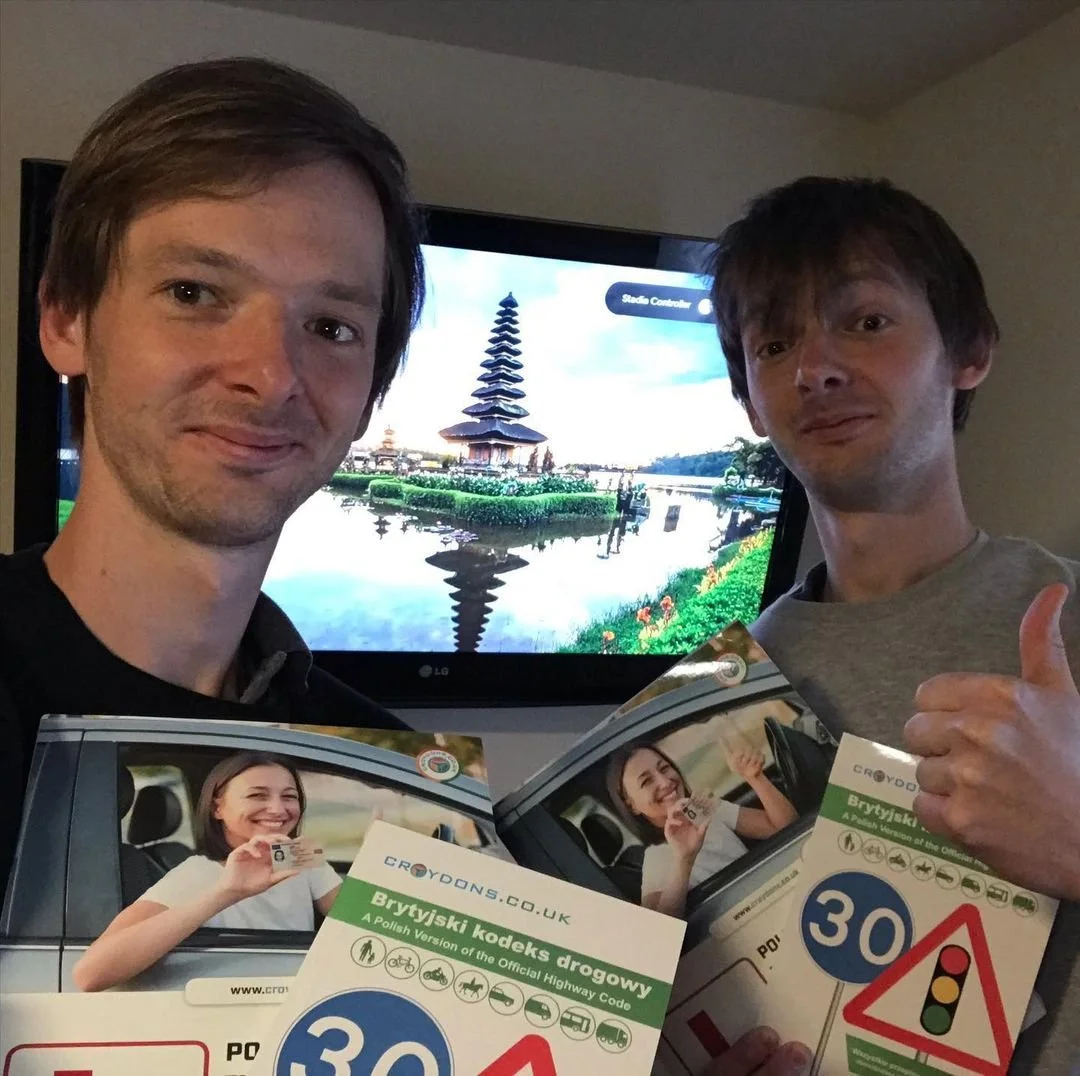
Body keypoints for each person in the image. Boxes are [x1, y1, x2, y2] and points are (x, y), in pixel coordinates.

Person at [0, 57, 428, 891]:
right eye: (194, 292)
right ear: (65, 320)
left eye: (333, 327)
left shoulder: (398, 794)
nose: (270, 375)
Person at [702, 176, 1079, 1075]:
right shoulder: (729, 692)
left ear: (970, 351)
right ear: (751, 403)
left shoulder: (1066, 616)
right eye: (775, 342)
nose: (815, 369)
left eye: (865, 322)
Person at [73, 752, 339, 991]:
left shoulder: (298, 856)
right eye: (257, 795)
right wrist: (227, 892)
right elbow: (91, 974)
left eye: (289, 796)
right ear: (217, 807)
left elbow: (372, 919)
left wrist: (378, 854)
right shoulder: (198, 873)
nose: (278, 809)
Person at [606, 741, 797, 917]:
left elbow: (786, 827)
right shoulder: (656, 858)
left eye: (664, 768)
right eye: (646, 781)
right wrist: (684, 859)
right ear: (631, 805)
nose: (665, 782)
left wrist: (755, 777)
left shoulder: (704, 809)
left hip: (777, 899)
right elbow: (661, 933)